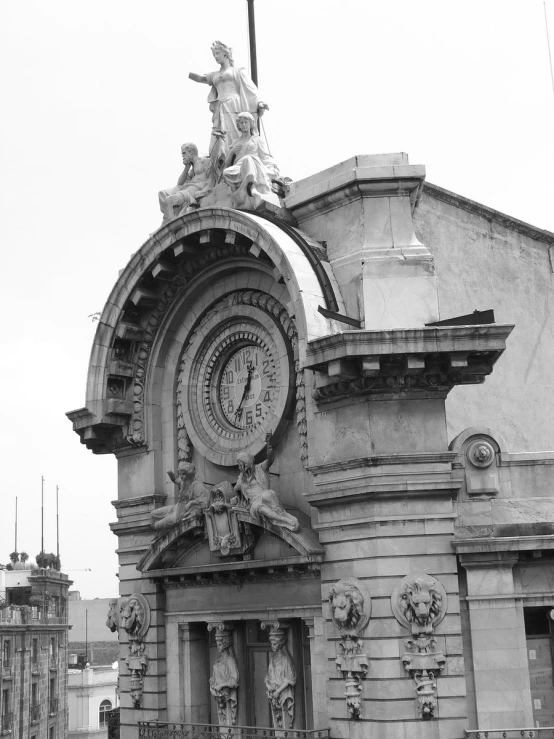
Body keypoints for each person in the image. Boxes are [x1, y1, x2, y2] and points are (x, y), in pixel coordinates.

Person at [189, 41, 268, 167]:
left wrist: (259, 102)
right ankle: (222, 167)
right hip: (220, 108)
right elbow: (199, 78)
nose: (215, 56)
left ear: (226, 54)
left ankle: (240, 164)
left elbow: (250, 88)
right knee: (218, 140)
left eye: (217, 53)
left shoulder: (237, 71)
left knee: (235, 133)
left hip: (234, 104)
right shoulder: (214, 74)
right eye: (214, 54)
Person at [234, 434, 299, 531]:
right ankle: (285, 520)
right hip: (254, 503)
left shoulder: (260, 469)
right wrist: (241, 480)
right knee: (263, 509)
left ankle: (284, 516)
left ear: (246, 464)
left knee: (268, 494)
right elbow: (236, 488)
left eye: (241, 465)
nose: (239, 468)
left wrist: (269, 444)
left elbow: (270, 460)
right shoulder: (241, 478)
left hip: (264, 495)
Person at [222, 112, 279, 209]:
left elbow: (265, 156)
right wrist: (231, 152)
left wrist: (271, 168)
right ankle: (246, 185)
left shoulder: (257, 140)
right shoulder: (235, 142)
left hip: (253, 164)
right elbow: (227, 165)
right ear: (238, 125)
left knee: (247, 159)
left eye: (246, 122)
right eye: (241, 123)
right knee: (226, 172)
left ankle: (252, 187)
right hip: (239, 168)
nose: (244, 125)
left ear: (251, 124)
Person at [158, 143, 213, 225]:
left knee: (169, 201)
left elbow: (211, 178)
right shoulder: (191, 169)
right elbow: (180, 183)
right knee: (168, 200)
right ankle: (167, 224)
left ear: (190, 151)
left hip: (195, 190)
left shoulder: (205, 161)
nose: (183, 156)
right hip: (188, 190)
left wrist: (204, 191)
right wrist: (186, 167)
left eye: (184, 153)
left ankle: (170, 225)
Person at [151, 462, 209, 531]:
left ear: (189, 474)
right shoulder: (183, 482)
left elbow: (206, 500)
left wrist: (191, 503)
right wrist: (171, 475)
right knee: (153, 514)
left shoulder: (196, 486)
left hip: (180, 515)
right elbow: (176, 480)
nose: (181, 476)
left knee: (156, 525)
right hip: (176, 507)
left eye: (183, 474)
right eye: (180, 474)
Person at [265, 628, 297, 729]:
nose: (272, 646)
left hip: (283, 693)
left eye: (274, 644)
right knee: (277, 720)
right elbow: (267, 677)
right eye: (271, 644)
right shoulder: (272, 659)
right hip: (273, 693)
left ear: (280, 644)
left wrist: (278, 691)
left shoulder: (286, 659)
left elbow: (290, 678)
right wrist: (268, 686)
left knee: (284, 719)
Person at [210, 630, 239, 726]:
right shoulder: (217, 660)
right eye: (217, 644)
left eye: (220, 644)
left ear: (226, 644)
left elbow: (235, 680)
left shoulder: (230, 660)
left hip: (227, 694)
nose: (217, 647)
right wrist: (212, 685)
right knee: (222, 718)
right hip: (218, 694)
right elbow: (213, 678)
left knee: (228, 721)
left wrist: (221, 685)